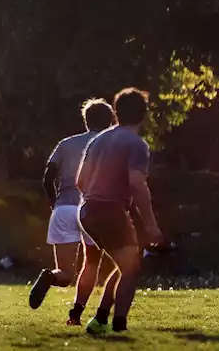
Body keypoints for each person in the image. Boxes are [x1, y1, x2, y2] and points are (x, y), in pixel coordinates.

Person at [75, 88, 162, 336]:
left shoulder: (98, 139)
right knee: (131, 269)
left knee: (127, 263)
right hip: (110, 210)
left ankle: (101, 319)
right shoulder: (136, 144)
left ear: (116, 112)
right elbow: (137, 184)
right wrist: (152, 225)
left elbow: (81, 180)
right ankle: (119, 326)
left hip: (86, 210)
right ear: (144, 115)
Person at [29, 98, 116, 325]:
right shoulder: (111, 145)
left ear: (86, 121)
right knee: (92, 263)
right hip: (91, 210)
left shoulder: (66, 144)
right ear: (110, 121)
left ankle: (50, 276)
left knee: (65, 274)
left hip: (64, 209)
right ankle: (75, 316)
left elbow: (48, 178)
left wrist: (54, 204)